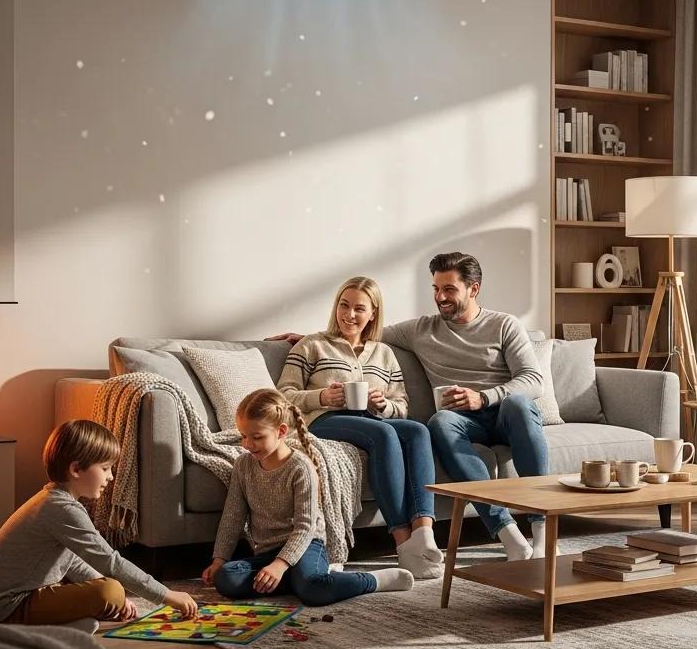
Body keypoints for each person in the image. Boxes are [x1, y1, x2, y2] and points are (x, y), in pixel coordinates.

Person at [382, 253, 549, 561]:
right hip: (462, 422)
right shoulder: (421, 329)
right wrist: (310, 338)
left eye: (449, 289)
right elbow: (365, 330)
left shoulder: (503, 324)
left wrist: (484, 397)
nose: (440, 297)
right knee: (440, 421)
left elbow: (533, 379)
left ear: (473, 289)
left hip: (503, 414)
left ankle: (543, 533)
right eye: (435, 289)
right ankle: (508, 533)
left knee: (520, 404)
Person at [277, 276, 443, 579]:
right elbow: (283, 397)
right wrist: (321, 396)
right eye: (344, 305)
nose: (349, 315)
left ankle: (424, 532)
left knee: (418, 430)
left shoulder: (384, 353)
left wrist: (383, 406)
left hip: (371, 419)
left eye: (358, 309)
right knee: (384, 433)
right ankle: (402, 541)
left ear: (373, 314)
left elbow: (401, 405)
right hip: (324, 420)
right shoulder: (311, 345)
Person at [0, 419, 198, 631]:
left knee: (109, 589)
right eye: (105, 468)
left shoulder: (56, 502)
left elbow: (72, 561)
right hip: (10, 607)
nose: (111, 477)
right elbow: (111, 562)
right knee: (110, 590)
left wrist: (108, 590)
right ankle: (51, 628)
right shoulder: (62, 508)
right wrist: (167, 595)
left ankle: (67, 624)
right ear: (76, 470)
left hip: (19, 599)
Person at [203, 388, 414, 605]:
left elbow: (305, 527)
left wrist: (280, 565)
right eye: (244, 436)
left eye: (257, 437)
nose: (247, 444)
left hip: (307, 545)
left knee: (313, 591)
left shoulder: (300, 467)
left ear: (281, 431)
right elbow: (232, 517)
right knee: (226, 578)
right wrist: (219, 560)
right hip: (268, 550)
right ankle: (297, 580)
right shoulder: (243, 465)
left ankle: (370, 581)